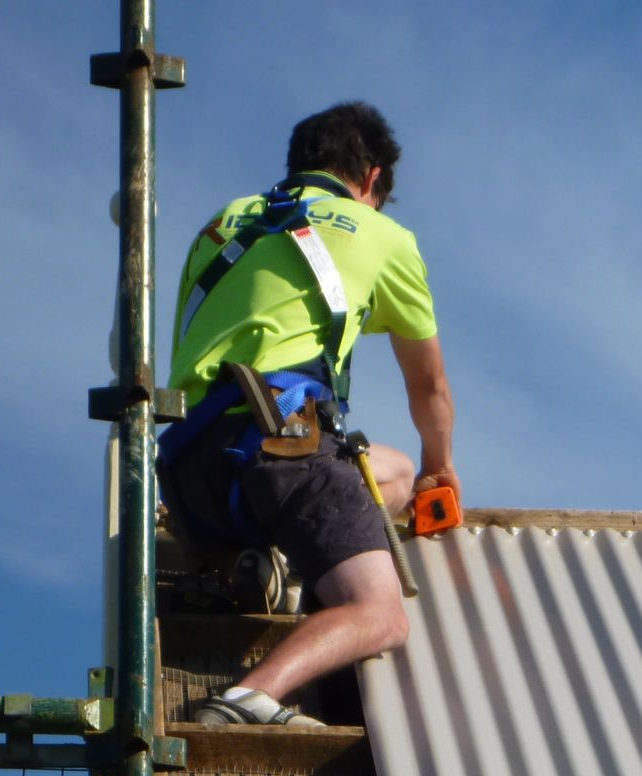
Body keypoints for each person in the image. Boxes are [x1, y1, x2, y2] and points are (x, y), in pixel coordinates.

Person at [159, 101, 456, 728]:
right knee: (382, 615)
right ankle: (248, 699)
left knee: (394, 476)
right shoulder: (381, 235)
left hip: (192, 474)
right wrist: (444, 468)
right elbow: (428, 387)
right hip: (284, 451)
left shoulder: (221, 227)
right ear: (372, 179)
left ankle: (277, 564)